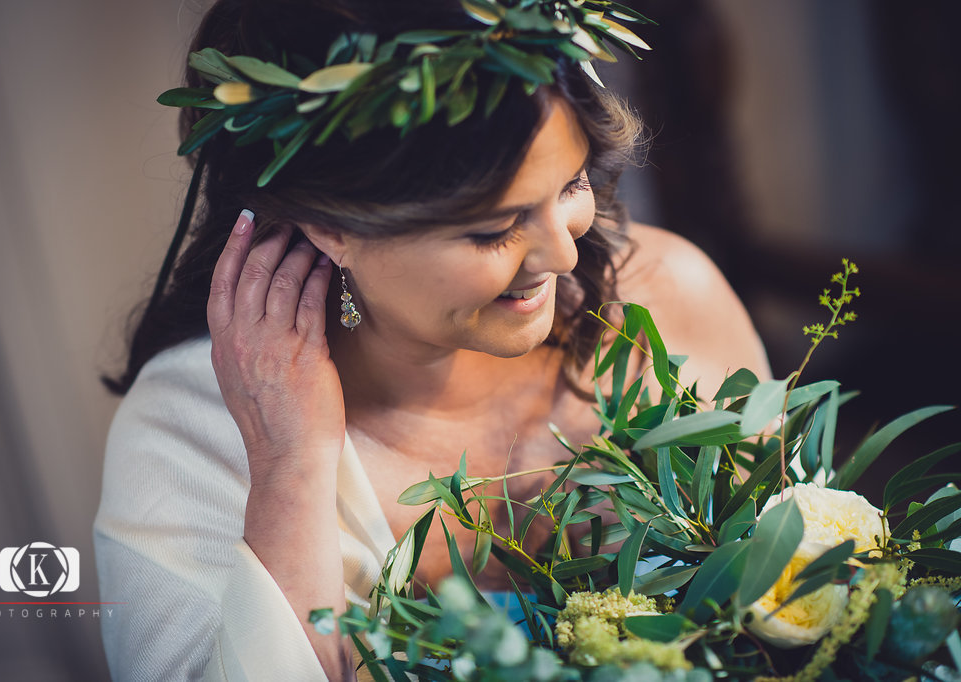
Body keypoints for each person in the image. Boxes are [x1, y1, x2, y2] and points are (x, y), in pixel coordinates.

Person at [95, 0, 770, 679]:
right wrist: (290, 469)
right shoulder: (193, 429)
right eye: (493, 229)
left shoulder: (671, 296)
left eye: (571, 184)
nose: (562, 257)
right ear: (329, 226)